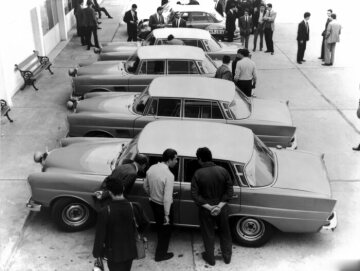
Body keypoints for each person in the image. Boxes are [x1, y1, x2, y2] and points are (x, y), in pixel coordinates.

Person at [92, 179, 149, 271]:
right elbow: (146, 223)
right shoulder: (135, 206)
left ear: (110, 192)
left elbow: (100, 235)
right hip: (130, 249)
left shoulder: (105, 211)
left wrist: (97, 253)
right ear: (123, 188)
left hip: (113, 253)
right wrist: (138, 232)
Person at [191, 147, 234, 266]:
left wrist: (210, 208)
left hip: (206, 210)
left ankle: (210, 259)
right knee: (225, 232)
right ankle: (227, 257)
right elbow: (230, 191)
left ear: (200, 159)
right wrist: (219, 207)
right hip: (222, 208)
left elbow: (194, 195)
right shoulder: (223, 170)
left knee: (208, 233)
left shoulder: (198, 173)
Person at [143, 148, 178, 262]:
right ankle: (160, 255)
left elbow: (145, 186)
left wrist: (152, 194)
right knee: (166, 232)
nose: (176, 161)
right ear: (169, 159)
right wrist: (167, 214)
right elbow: (167, 198)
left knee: (160, 228)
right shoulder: (169, 175)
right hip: (163, 207)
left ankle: (160, 253)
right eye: (175, 159)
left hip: (154, 203)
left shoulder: (152, 168)